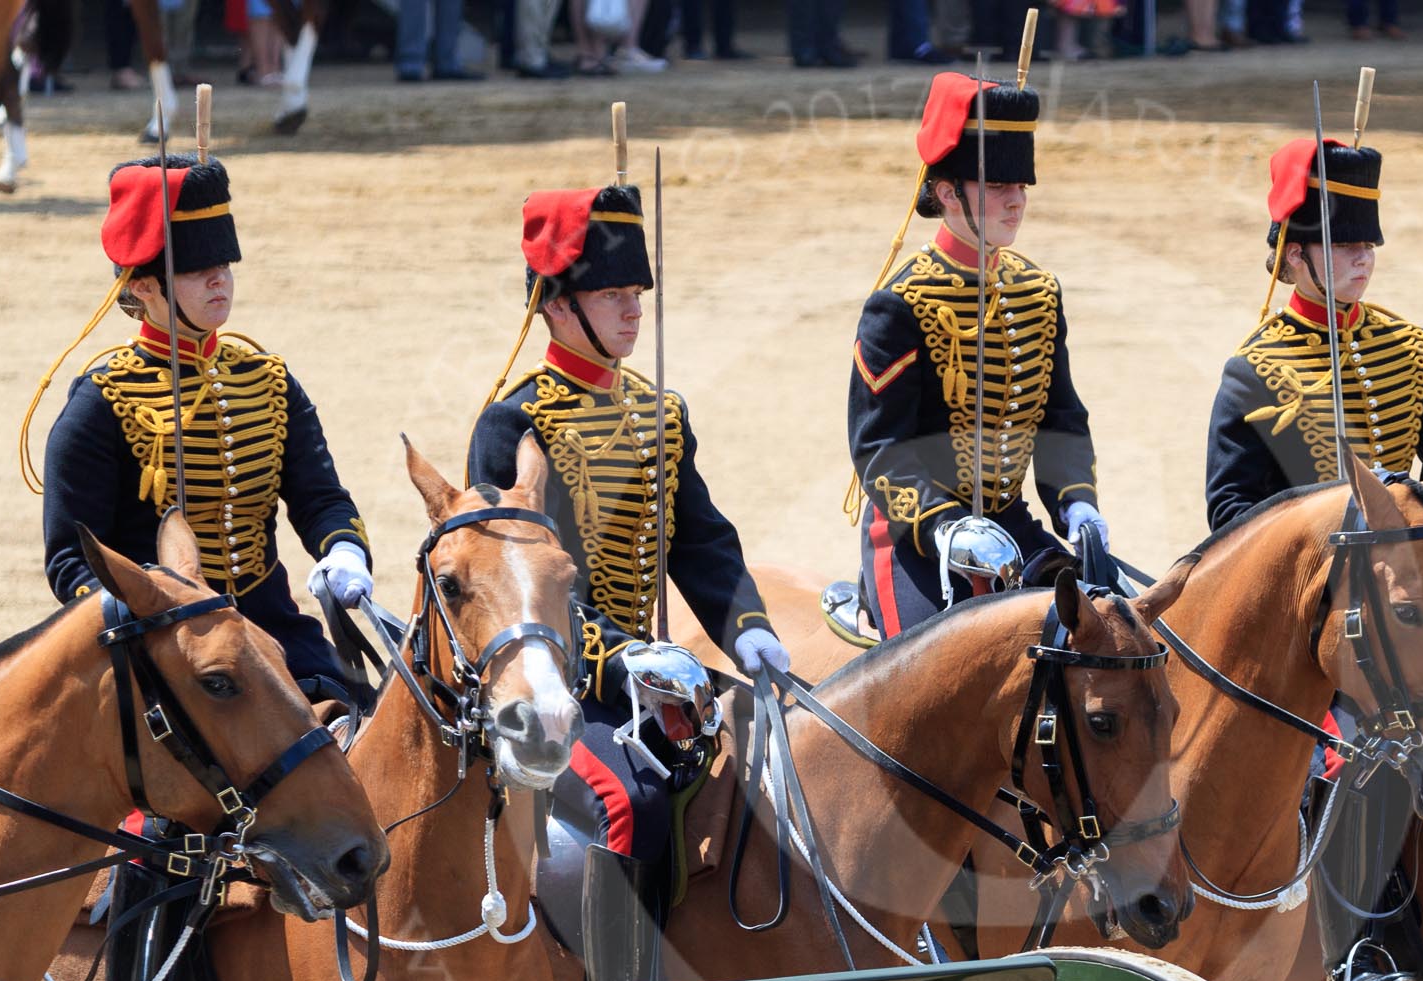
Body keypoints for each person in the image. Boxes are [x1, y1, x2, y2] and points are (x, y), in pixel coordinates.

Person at [1203, 137, 1423, 981]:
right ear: (1293, 254)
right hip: (1318, 617)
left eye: (1368, 244)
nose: (1362, 257)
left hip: (1416, 589)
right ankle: (1360, 943)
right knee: (1359, 740)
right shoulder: (1255, 369)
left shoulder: (1405, 346)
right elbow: (1232, 510)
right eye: (1341, 243)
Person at [468, 182, 788, 916]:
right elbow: (518, 587)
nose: (632, 310)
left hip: (653, 678)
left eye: (637, 293)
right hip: (551, 687)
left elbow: (703, 541)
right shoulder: (511, 424)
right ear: (556, 304)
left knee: (771, 760)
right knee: (630, 801)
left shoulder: (661, 413)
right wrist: (621, 658)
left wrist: (750, 629)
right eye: (611, 294)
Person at [33, 152, 374, 708]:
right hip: (160, 650)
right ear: (142, 285)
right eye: (194, 268)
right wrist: (145, 620)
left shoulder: (268, 381)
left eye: (224, 263)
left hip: (273, 632)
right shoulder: (101, 404)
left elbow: (322, 499)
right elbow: (71, 560)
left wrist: (343, 550)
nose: (219, 278)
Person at [847, 71, 1103, 639]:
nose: (1016, 200)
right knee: (926, 695)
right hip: (917, 541)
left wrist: (1076, 503)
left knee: (1124, 646)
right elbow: (879, 449)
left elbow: (1061, 418)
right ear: (947, 192)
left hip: (1012, 524)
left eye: (1022, 185)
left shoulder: (1038, 291)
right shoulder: (899, 304)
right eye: (997, 186)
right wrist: (944, 527)